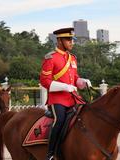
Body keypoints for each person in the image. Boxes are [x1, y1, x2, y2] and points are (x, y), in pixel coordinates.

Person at [40, 27, 92, 160]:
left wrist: (82, 82)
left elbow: (74, 79)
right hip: (57, 100)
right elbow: (45, 81)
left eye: (72, 39)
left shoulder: (73, 59)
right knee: (60, 120)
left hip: (74, 98)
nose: (71, 42)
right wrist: (64, 86)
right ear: (59, 40)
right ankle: (51, 154)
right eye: (68, 40)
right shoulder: (50, 58)